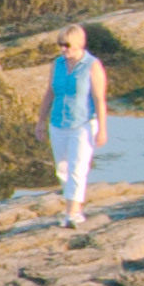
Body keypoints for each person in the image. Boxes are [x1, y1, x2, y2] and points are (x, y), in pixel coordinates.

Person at [43, 25, 110, 228]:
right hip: (57, 123)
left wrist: (102, 129)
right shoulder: (58, 64)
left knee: (77, 169)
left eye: (67, 45)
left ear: (80, 44)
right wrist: (40, 122)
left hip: (82, 124)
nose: (63, 49)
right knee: (62, 169)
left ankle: (73, 213)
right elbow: (49, 93)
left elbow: (99, 99)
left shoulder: (92, 65)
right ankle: (72, 208)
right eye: (60, 45)